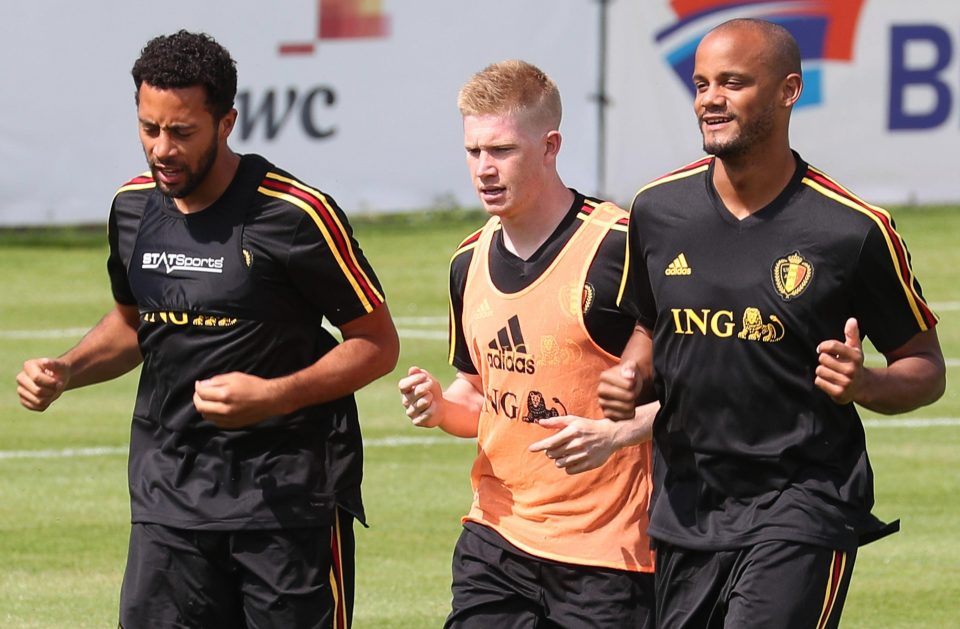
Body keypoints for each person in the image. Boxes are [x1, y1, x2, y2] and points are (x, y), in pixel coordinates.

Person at [15, 30, 399, 628]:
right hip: (168, 499)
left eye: (182, 132)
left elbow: (377, 345)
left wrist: (272, 396)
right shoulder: (133, 207)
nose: (162, 149)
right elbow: (132, 321)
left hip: (285, 503)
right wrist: (66, 370)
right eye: (149, 128)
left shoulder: (297, 215)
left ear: (226, 123)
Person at [598, 18, 946, 629]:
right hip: (686, 502)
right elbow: (649, 330)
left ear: (789, 90)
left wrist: (865, 385)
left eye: (733, 82)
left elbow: (925, 367)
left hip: (804, 501)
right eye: (702, 83)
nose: (710, 98)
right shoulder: (656, 210)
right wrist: (631, 374)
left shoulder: (853, 230)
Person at [398, 60, 657, 628]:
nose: (484, 169)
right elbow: (481, 395)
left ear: (550, 146)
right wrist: (441, 407)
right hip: (496, 538)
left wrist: (617, 434)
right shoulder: (468, 261)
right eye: (473, 152)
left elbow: (700, 391)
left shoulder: (621, 251)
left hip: (607, 555)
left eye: (502, 151)